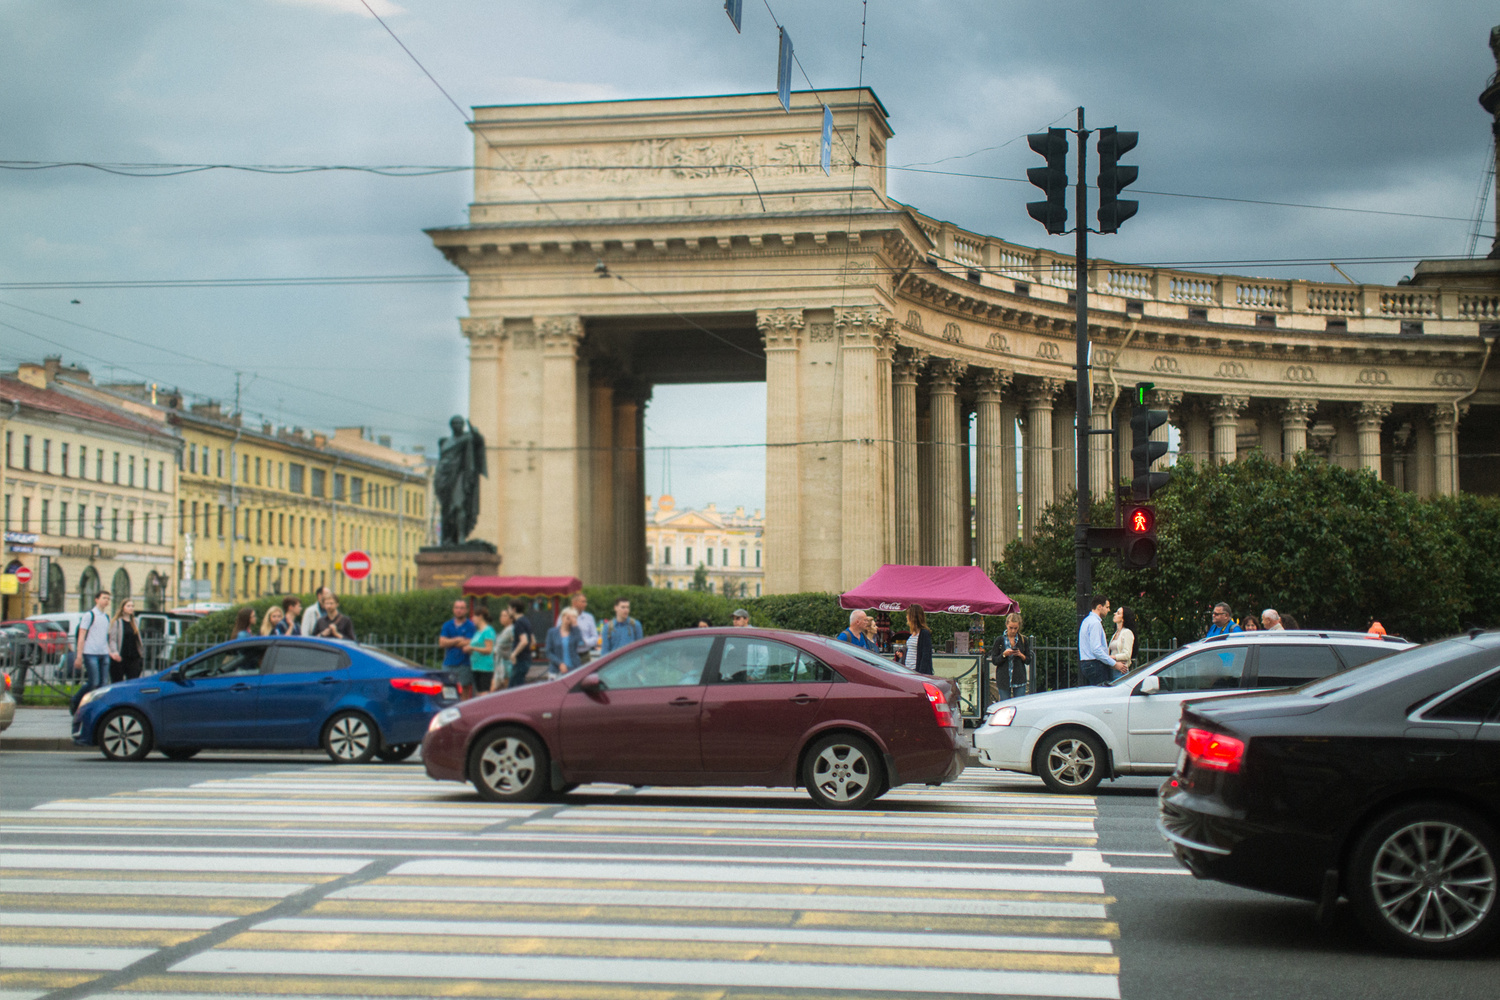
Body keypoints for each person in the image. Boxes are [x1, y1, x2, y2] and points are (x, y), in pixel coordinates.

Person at [70, 590, 113, 714]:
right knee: (93, 682)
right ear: (97, 599)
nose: (106, 601)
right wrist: (79, 656)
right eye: (104, 598)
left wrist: (110, 652)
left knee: (103, 684)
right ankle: (76, 700)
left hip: (103, 653)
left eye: (108, 599)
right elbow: (81, 636)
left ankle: (95, 708)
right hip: (91, 653)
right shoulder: (89, 615)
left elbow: (105, 637)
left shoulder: (106, 617)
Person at [439, 598, 478, 700]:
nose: (459, 610)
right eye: (456, 608)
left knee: (464, 691)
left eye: (461, 608)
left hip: (464, 664)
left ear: (466, 610)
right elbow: (442, 643)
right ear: (453, 609)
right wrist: (457, 639)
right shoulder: (447, 625)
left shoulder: (470, 626)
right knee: (447, 691)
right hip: (448, 663)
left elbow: (470, 642)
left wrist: (450, 642)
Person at [992, 611, 1031, 698]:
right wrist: (1004, 655)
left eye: (1015, 628)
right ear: (1006, 625)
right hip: (1003, 678)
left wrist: (1021, 655)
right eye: (1011, 628)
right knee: (1005, 705)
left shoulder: (1023, 640)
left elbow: (1028, 660)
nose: (1013, 631)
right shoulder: (1000, 640)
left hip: (1019, 678)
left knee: (1019, 704)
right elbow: (994, 660)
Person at [1078, 595, 1114, 686]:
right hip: (1095, 664)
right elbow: (1096, 649)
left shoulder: (1086, 621)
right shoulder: (1095, 623)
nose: (1108, 610)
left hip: (1086, 663)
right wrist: (1114, 663)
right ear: (1099, 607)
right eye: (1107, 607)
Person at [108, 597, 144, 684]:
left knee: (133, 681)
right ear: (123, 608)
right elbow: (112, 640)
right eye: (128, 606)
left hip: (134, 657)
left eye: (132, 606)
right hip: (121, 656)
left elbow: (137, 639)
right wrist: (115, 652)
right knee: (117, 682)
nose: (131, 608)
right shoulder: (117, 622)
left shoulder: (135, 622)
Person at [465, 603, 498, 694]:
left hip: (485, 667)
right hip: (476, 666)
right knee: (478, 692)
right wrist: (469, 650)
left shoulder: (488, 631)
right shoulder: (478, 632)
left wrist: (473, 647)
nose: (472, 619)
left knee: (484, 693)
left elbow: (488, 649)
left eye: (474, 616)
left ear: (480, 616)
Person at [544, 607, 584, 678]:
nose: (569, 620)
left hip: (574, 668)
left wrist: (575, 625)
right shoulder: (552, 632)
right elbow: (548, 652)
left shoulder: (575, 631)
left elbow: (581, 643)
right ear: (562, 617)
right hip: (557, 670)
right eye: (567, 617)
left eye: (572, 618)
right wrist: (560, 663)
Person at [507, 600, 534, 689]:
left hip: (520, 660)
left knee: (513, 690)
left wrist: (514, 654)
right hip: (526, 659)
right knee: (519, 687)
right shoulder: (526, 621)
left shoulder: (518, 622)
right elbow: (533, 641)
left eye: (509, 609)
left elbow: (524, 641)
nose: (508, 611)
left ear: (514, 609)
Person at [903, 605, 933, 675]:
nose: (906, 617)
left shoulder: (924, 633)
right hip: (908, 670)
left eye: (908, 615)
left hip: (917, 671)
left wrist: (920, 673)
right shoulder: (912, 634)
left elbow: (926, 655)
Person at [1109, 606, 1138, 676]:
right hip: (1112, 669)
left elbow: (1127, 654)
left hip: (1121, 671)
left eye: (1118, 613)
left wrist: (1112, 657)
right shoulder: (1115, 634)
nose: (1115, 614)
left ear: (1123, 619)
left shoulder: (1127, 632)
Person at [570, 593, 599, 662]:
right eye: (583, 602)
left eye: (585, 602)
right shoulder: (564, 617)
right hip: (569, 655)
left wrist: (585, 641)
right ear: (574, 603)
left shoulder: (589, 618)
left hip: (584, 655)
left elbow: (595, 637)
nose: (585, 604)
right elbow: (558, 636)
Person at [493, 607, 516, 691]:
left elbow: (515, 642)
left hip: (507, 665)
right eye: (501, 615)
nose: (502, 618)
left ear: (511, 618)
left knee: (506, 691)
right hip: (500, 665)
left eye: (505, 616)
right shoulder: (504, 630)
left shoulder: (511, 629)